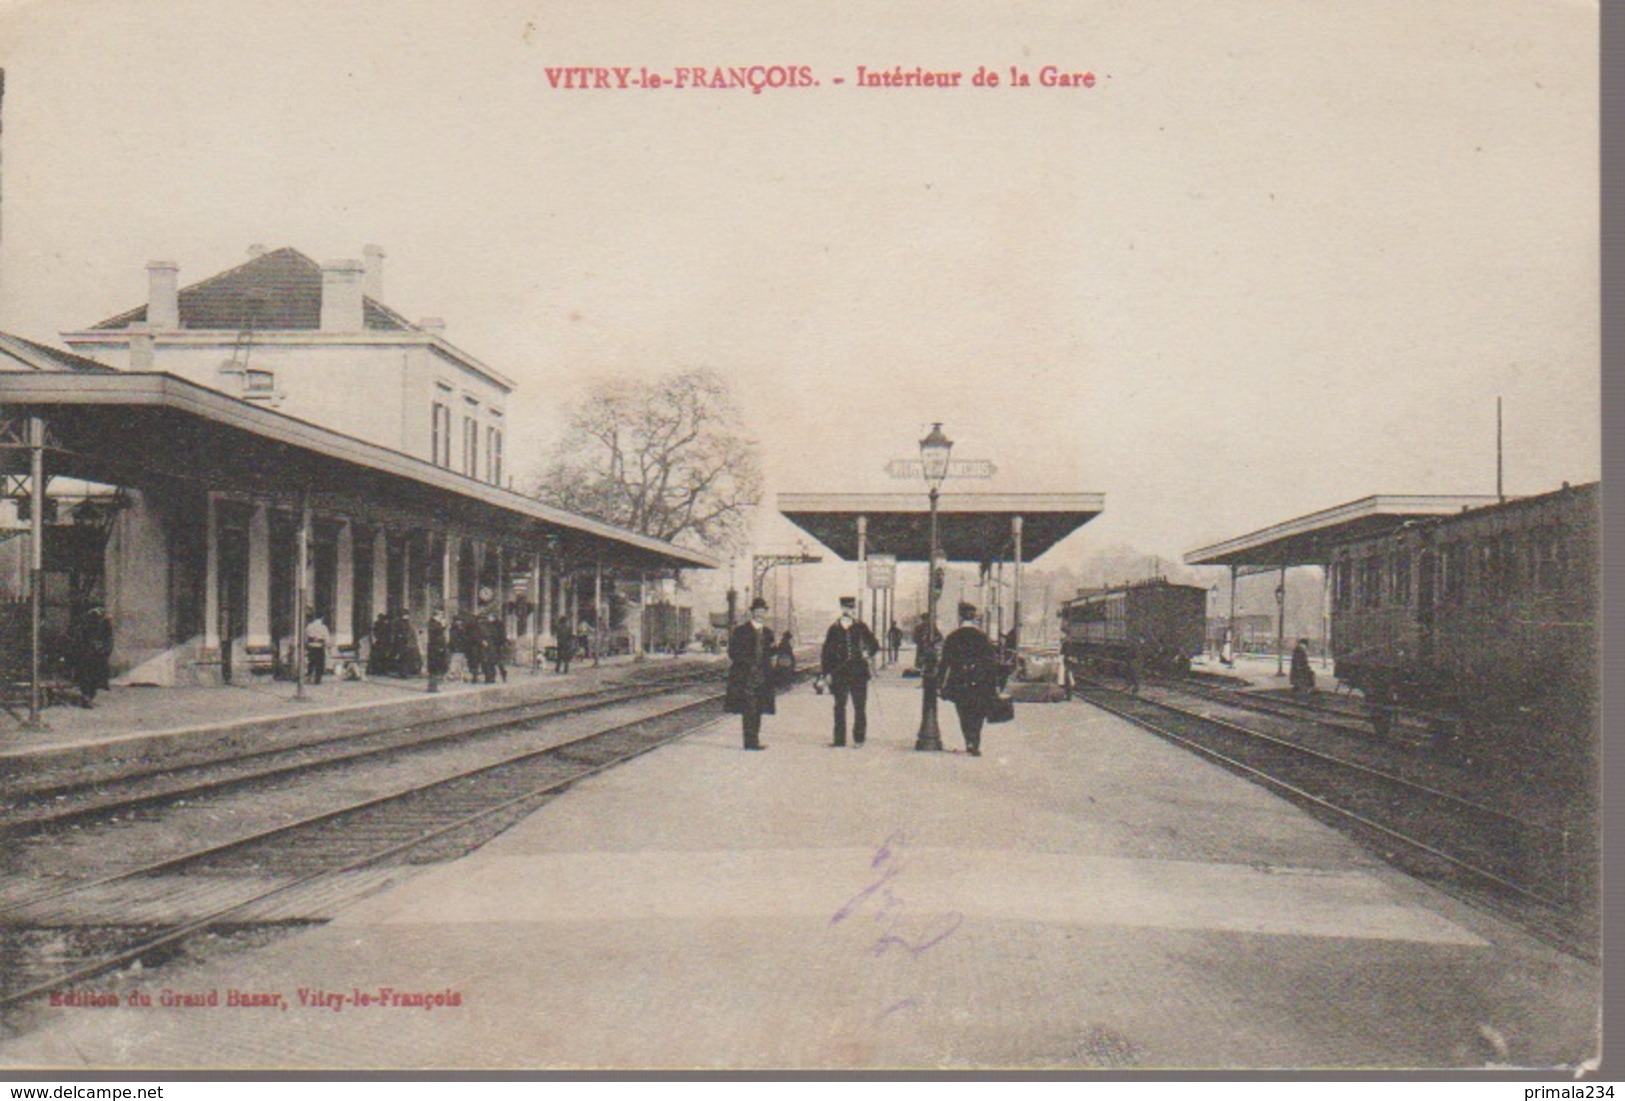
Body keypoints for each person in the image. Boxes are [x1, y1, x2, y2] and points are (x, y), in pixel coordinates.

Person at [936, 602, 997, 757]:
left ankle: (968, 739)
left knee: (963, 711)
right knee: (978, 711)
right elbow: (991, 662)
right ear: (975, 617)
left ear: (960, 616)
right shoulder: (983, 637)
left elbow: (945, 662)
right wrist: (994, 683)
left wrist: (939, 682)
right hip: (980, 679)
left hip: (959, 680)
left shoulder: (953, 637)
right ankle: (975, 740)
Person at [821, 597, 879, 747]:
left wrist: (868, 653)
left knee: (859, 706)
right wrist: (826, 673)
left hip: (859, 672)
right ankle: (839, 740)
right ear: (842, 609)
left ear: (854, 610)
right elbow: (826, 652)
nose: (849, 611)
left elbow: (874, 644)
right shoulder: (833, 628)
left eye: (851, 609)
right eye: (846, 608)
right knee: (839, 705)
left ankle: (859, 738)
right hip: (839, 673)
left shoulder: (861, 627)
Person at [725, 596, 777, 750]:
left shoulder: (768, 632)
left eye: (763, 611)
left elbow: (770, 653)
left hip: (763, 677)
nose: (760, 614)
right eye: (757, 611)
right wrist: (747, 663)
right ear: (752, 612)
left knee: (759, 708)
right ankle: (750, 742)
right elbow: (732, 652)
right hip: (745, 676)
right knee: (749, 708)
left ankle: (755, 740)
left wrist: (780, 648)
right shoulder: (741, 631)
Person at [66, 603, 113, 708]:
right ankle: (86, 696)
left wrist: (103, 649)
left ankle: (89, 696)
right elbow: (78, 638)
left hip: (97, 656)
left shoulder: (105, 623)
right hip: (86, 655)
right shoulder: (85, 622)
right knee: (86, 676)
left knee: (94, 677)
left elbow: (108, 640)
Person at [426, 609, 450, 693]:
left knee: (437, 667)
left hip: (437, 648)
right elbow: (436, 634)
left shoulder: (435, 623)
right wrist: (442, 626)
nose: (442, 617)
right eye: (441, 615)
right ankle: (432, 687)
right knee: (434, 668)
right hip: (435, 648)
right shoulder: (433, 623)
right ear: (436, 615)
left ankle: (434, 686)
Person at [305, 612, 331, 685]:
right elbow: (326, 638)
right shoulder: (323, 627)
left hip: (311, 646)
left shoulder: (309, 626)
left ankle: (309, 676)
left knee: (311, 662)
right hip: (319, 646)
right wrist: (328, 646)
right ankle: (317, 679)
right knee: (319, 663)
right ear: (322, 618)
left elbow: (306, 636)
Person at [367, 612, 392, 677]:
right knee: (381, 657)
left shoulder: (379, 625)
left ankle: (375, 670)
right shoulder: (383, 626)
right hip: (382, 643)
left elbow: (375, 634)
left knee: (378, 657)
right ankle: (379, 670)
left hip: (380, 643)